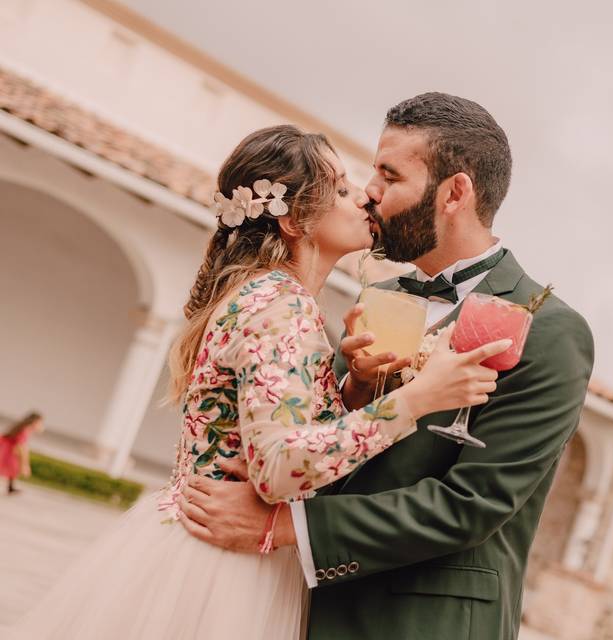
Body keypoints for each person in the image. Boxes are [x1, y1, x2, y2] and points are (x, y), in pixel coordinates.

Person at [3, 124, 510, 640]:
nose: (362, 197)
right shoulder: (281, 306)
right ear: (294, 220)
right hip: (223, 573)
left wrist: (356, 387)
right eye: (338, 188)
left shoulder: (268, 296)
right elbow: (279, 469)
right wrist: (417, 399)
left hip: (200, 551)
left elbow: (280, 440)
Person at [180, 93, 595, 640]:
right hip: (302, 608)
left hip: (426, 623)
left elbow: (470, 505)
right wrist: (353, 389)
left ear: (455, 193)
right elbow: (317, 443)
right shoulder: (376, 294)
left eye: (389, 176)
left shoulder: (550, 330)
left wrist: (285, 526)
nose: (370, 193)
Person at [0, 411, 43, 494]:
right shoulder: (25, 430)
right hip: (5, 449)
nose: (40, 425)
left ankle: (11, 487)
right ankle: (11, 487)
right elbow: (21, 447)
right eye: (40, 423)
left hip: (7, 448)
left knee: (12, 467)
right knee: (9, 466)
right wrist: (25, 464)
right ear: (35, 422)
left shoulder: (23, 428)